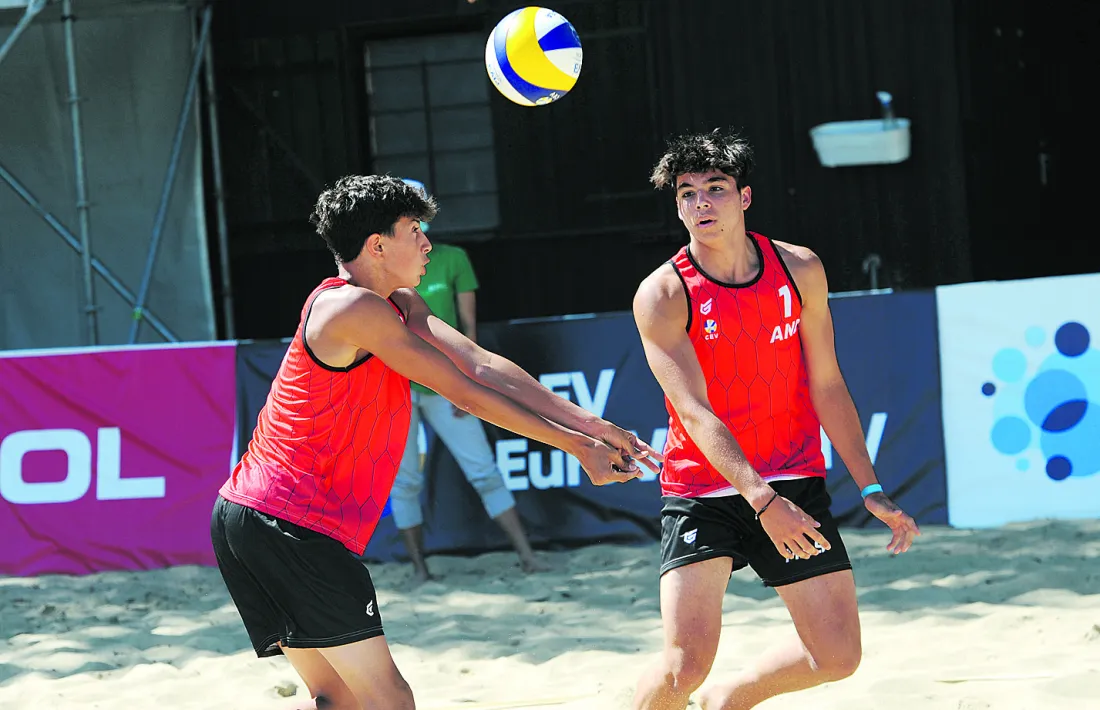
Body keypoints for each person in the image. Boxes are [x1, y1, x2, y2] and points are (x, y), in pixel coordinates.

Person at [210, 174, 661, 710]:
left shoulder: (394, 299)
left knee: (338, 698)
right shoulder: (352, 309)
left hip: (252, 515)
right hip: (289, 521)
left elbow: (481, 363)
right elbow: (465, 393)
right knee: (390, 699)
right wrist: (577, 447)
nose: (428, 244)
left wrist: (592, 426)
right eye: (415, 230)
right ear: (377, 245)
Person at [629, 130, 921, 710]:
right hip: (705, 488)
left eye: (715, 189)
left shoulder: (799, 268)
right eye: (687, 194)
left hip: (791, 476)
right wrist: (763, 501)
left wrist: (872, 487)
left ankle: (730, 700)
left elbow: (828, 385)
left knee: (838, 656)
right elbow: (693, 409)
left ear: (746, 197)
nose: (701, 204)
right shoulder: (663, 292)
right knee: (683, 667)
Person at [390, 180, 546, 582]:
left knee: (483, 469)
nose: (416, 223)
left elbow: (469, 332)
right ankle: (420, 570)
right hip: (398, 388)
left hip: (445, 382)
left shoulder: (453, 258)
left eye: (418, 215)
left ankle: (527, 556)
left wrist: (468, 386)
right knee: (405, 480)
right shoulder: (381, 268)